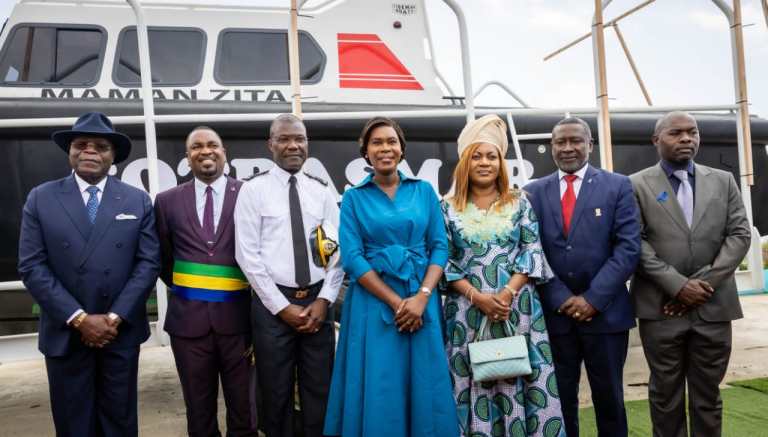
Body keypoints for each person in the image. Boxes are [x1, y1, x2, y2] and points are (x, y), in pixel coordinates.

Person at [17, 112, 160, 436]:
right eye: (81, 144)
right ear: (70, 152)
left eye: (101, 146)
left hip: (119, 333)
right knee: (73, 424)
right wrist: (80, 318)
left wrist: (114, 317)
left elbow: (148, 263)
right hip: (65, 331)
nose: (90, 151)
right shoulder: (41, 198)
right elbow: (31, 266)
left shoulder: (137, 200)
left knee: (119, 422)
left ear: (113, 156)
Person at [323, 117, 459, 437]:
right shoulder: (355, 198)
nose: (385, 148)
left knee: (424, 382)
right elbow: (353, 258)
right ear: (365, 153)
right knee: (380, 381)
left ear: (401, 149)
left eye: (391, 142)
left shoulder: (424, 191)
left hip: (421, 300)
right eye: (377, 143)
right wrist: (399, 303)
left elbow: (440, 246)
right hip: (374, 304)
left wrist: (423, 296)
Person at [442, 115, 566, 437]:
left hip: (518, 310)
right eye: (477, 156)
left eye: (492, 156)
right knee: (475, 382)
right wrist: (478, 297)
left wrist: (507, 293)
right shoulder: (447, 208)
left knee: (522, 378)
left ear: (501, 162)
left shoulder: (519, 203)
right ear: (465, 163)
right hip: (467, 314)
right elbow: (445, 261)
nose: (485, 163)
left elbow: (532, 251)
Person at [629, 111, 750, 437]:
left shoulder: (723, 181)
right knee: (665, 395)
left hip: (714, 308)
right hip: (659, 308)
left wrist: (701, 287)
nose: (686, 139)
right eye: (676, 133)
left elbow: (739, 235)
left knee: (707, 396)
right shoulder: (636, 184)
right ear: (656, 140)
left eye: (692, 132)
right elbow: (634, 243)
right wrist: (677, 286)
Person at [525, 117, 640, 437]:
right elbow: (531, 250)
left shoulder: (618, 185)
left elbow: (628, 249)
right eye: (560, 142)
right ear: (551, 148)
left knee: (610, 400)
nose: (568, 147)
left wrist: (592, 299)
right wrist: (560, 297)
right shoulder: (533, 192)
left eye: (576, 140)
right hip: (554, 315)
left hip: (606, 315)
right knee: (559, 401)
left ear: (590, 145)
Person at [234, 114, 343, 437]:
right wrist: (281, 307)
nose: (293, 145)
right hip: (272, 307)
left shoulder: (322, 192)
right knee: (274, 391)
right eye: (284, 139)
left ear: (307, 143)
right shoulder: (253, 191)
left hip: (317, 303)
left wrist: (324, 301)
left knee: (319, 388)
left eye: (300, 138)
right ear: (271, 145)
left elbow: (339, 253)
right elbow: (247, 255)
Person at [155, 126, 256, 436]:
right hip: (188, 325)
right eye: (196, 147)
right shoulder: (166, 200)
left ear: (224, 152)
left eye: (212, 145)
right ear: (188, 157)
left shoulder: (250, 194)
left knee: (245, 409)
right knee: (198, 412)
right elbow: (162, 258)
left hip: (240, 323)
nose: (205, 151)